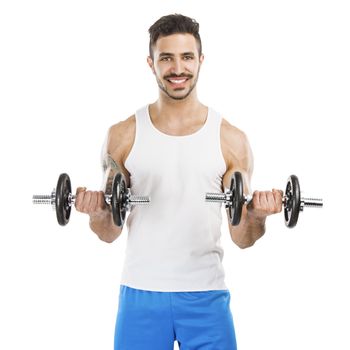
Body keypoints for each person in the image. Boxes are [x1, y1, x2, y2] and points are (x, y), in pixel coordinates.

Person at [75, 13, 283, 350]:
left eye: (187, 57)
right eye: (166, 58)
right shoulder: (123, 135)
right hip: (140, 294)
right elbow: (109, 232)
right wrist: (96, 212)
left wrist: (258, 215)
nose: (177, 69)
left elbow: (242, 237)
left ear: (200, 60)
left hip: (206, 295)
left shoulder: (231, 140)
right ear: (150, 63)